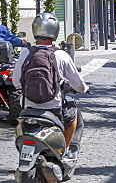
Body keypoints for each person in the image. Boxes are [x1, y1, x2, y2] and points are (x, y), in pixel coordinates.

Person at [14, 12, 89, 152]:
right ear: (55, 31)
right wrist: (85, 89)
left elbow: (16, 82)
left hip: (28, 107)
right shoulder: (60, 55)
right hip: (53, 108)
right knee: (73, 119)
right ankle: (64, 152)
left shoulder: (25, 54)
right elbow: (78, 85)